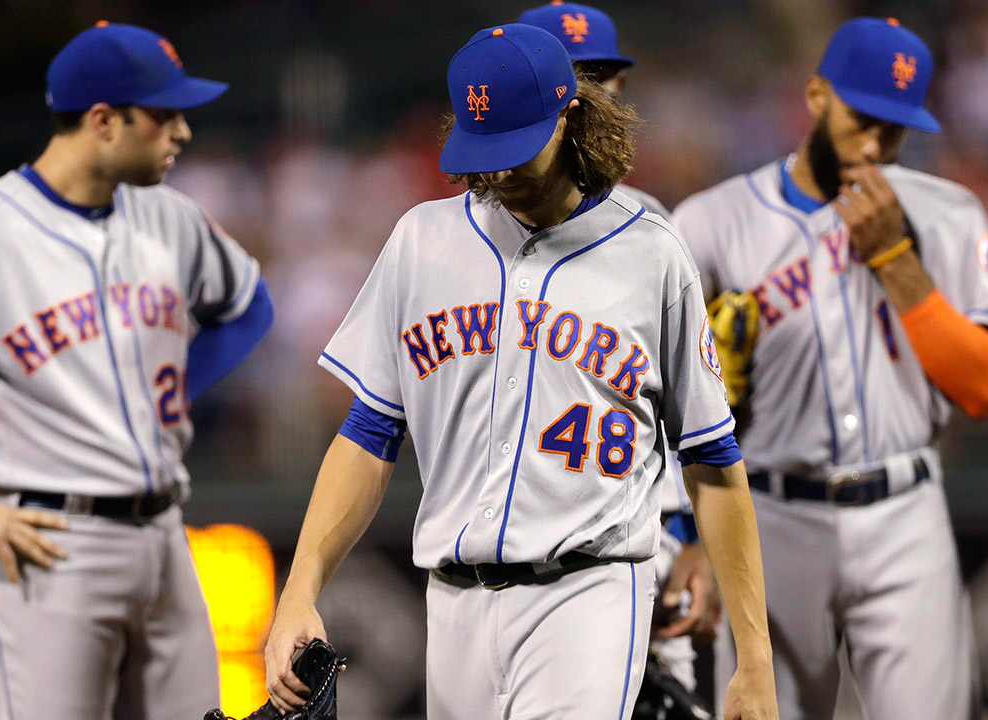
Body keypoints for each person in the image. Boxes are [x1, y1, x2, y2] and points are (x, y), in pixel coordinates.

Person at [264, 23, 777, 720]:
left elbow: (714, 463)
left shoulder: (651, 254)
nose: (498, 171)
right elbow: (368, 434)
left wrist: (754, 659)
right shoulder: (422, 239)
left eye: (514, 147)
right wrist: (300, 589)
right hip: (451, 603)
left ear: (570, 114)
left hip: (589, 592)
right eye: (483, 149)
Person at [0, 22, 273, 720]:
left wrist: (177, 393)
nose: (182, 131)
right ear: (102, 120)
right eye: (164, 114)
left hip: (164, 532)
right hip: (45, 544)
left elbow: (247, 304)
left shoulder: (168, 215)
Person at [672, 17, 988, 720]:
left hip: (904, 513)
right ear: (815, 96)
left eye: (894, 128)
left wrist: (897, 262)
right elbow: (658, 404)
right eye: (862, 118)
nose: (874, 144)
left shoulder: (946, 214)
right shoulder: (710, 223)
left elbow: (986, 389)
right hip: (768, 519)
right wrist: (686, 535)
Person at [518, 1, 723, 694]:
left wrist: (699, 541)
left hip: (646, 536)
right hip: (509, 550)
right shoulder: (460, 233)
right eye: (574, 76)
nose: (590, 94)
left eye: (603, 77)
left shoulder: (655, 230)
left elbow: (699, 419)